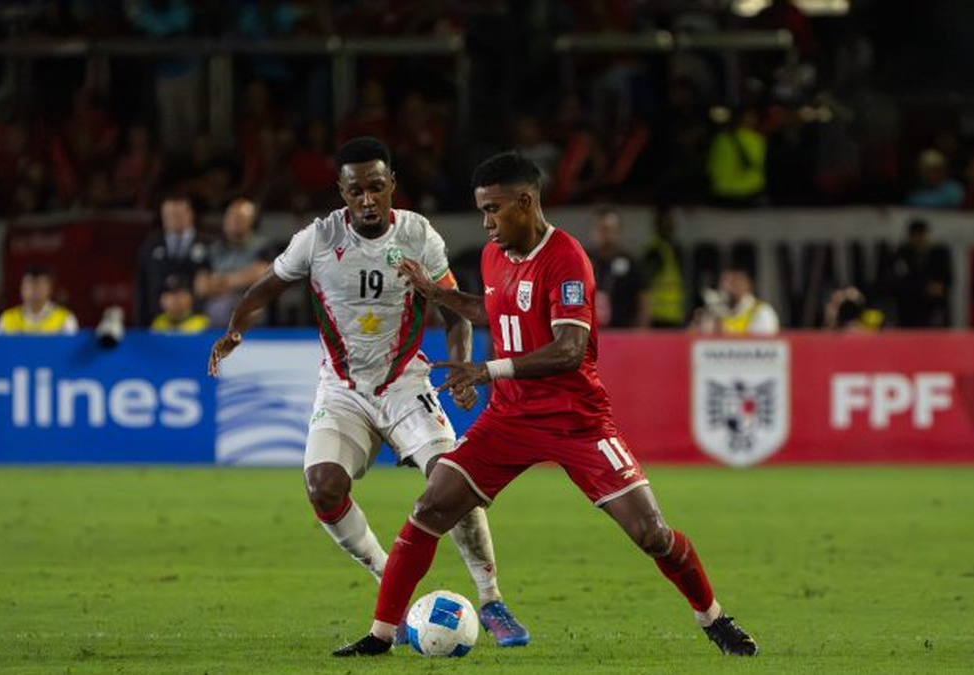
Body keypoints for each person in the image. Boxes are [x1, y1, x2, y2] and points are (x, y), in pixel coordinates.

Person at [333, 152, 757, 657]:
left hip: (576, 421)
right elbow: (493, 312)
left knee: (651, 533)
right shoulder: (495, 255)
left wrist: (489, 371)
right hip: (509, 417)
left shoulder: (566, 259)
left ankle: (712, 617)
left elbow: (569, 349)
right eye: (482, 211)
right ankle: (381, 636)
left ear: (526, 202)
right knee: (430, 508)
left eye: (493, 209)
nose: (486, 223)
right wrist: (435, 294)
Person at [207, 137, 528, 646]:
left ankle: (492, 601)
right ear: (342, 191)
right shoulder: (317, 238)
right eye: (356, 190)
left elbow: (450, 309)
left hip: (405, 384)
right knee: (323, 487)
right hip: (342, 390)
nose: (367, 199)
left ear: (391, 186)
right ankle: (389, 584)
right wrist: (234, 329)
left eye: (377, 187)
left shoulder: (419, 234)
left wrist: (464, 365)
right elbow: (264, 288)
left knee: (454, 482)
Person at [135, 194, 213, 327]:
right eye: (169, 215)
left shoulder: (209, 244)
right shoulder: (150, 245)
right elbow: (142, 286)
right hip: (157, 324)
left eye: (178, 214)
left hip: (199, 324)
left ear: (190, 214)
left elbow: (212, 283)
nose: (174, 219)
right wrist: (141, 324)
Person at [196, 198, 274, 327]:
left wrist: (220, 281)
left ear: (252, 221)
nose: (234, 221)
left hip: (252, 319)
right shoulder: (213, 248)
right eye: (231, 216)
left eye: (240, 218)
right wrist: (242, 277)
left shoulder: (263, 246)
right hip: (215, 322)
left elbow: (261, 275)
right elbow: (201, 287)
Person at [586, 207, 649, 328]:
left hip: (623, 334)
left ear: (619, 231)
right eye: (602, 229)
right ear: (593, 231)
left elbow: (644, 301)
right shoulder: (581, 260)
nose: (606, 235)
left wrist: (640, 334)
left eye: (611, 230)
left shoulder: (632, 263)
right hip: (589, 335)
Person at [886, 219, 952, 328]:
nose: (919, 239)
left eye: (921, 235)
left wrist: (939, 287)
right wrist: (923, 288)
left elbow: (947, 279)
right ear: (910, 237)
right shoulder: (901, 255)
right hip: (910, 306)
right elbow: (898, 282)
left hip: (934, 306)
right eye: (915, 235)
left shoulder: (938, 254)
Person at [691, 266, 779, 336]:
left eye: (735, 281)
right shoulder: (712, 311)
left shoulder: (762, 311)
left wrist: (724, 331)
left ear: (748, 284)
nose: (728, 287)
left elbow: (764, 349)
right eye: (725, 281)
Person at [0, 266, 79, 335]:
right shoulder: (6, 319)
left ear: (49, 289)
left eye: (39, 286)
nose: (33, 291)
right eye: (29, 286)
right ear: (21, 288)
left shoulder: (65, 319)